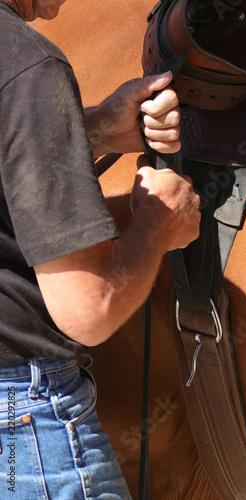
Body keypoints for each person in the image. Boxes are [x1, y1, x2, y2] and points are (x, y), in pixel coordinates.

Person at [0, 0, 201, 498]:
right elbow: (89, 309)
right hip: (25, 429)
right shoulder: (27, 63)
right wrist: (157, 225)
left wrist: (87, 129)